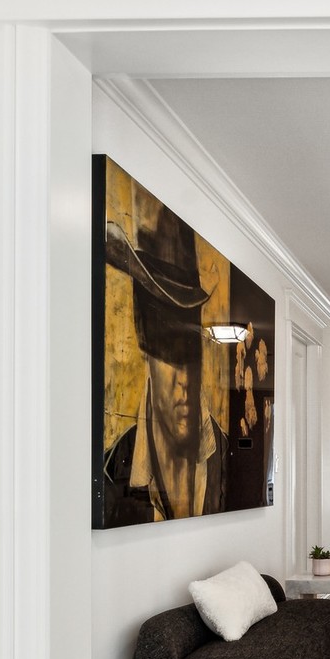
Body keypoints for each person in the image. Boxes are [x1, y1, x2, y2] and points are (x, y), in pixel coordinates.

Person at [100, 198, 228, 526]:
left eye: (190, 360)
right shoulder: (112, 471)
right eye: (170, 359)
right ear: (148, 360)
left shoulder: (227, 456)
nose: (184, 379)